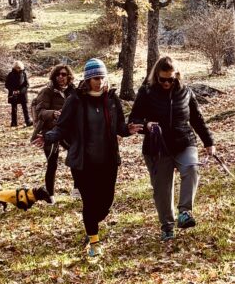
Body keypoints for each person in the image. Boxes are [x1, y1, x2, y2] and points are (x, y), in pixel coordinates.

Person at [34, 58, 134, 259]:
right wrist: (47, 136)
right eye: (95, 78)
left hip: (108, 160)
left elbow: (120, 127)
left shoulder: (112, 100)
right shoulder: (76, 100)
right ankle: (94, 241)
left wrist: (128, 130)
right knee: (89, 201)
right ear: (87, 80)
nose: (99, 82)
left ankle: (92, 223)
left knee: (105, 203)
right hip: (83, 162)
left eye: (102, 77)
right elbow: (62, 126)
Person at [128, 55, 216, 241]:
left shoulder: (186, 92)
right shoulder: (146, 92)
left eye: (171, 79)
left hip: (184, 141)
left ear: (177, 76)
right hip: (156, 147)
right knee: (162, 188)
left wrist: (209, 143)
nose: (167, 83)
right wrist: (147, 126)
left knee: (192, 168)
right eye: (163, 79)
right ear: (156, 77)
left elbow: (197, 119)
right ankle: (167, 226)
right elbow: (133, 120)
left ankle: (185, 212)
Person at [30, 63, 76, 199]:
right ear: (54, 76)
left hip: (68, 130)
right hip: (49, 131)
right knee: (52, 163)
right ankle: (50, 194)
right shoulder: (47, 91)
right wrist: (53, 113)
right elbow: (40, 112)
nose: (60, 77)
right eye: (58, 74)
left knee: (75, 159)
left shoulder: (73, 91)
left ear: (68, 77)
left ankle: (77, 190)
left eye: (64, 74)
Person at [5, 60, 31, 128]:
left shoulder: (24, 74)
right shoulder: (10, 74)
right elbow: (7, 84)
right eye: (17, 67)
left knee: (25, 108)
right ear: (14, 67)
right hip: (13, 94)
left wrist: (20, 91)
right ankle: (14, 123)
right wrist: (13, 90)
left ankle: (28, 121)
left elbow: (27, 85)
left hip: (22, 93)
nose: (18, 69)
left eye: (19, 67)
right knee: (14, 109)